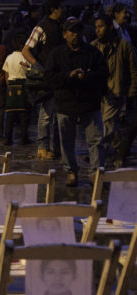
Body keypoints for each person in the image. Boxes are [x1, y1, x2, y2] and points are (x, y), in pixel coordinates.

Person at [45, 18, 108, 187]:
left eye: (78, 31)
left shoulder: (92, 53)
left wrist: (87, 77)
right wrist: (68, 76)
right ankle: (71, 171)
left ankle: (96, 173)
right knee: (66, 141)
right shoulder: (56, 54)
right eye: (72, 31)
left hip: (89, 104)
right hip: (66, 104)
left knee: (95, 140)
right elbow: (50, 77)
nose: (76, 34)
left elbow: (103, 73)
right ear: (65, 34)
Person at [91, 14, 137, 164]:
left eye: (101, 26)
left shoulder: (124, 45)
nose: (98, 30)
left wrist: (131, 91)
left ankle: (99, 155)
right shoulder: (93, 46)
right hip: (99, 91)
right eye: (96, 27)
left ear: (110, 27)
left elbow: (133, 69)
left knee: (107, 123)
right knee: (110, 123)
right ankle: (120, 146)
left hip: (116, 90)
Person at [22, 0, 64, 160]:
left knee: (60, 115)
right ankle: (43, 148)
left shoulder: (62, 26)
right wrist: (39, 68)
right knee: (46, 114)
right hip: (48, 78)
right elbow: (25, 50)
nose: (63, 9)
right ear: (54, 9)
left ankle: (58, 148)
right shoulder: (41, 27)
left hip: (61, 77)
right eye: (61, 7)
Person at [2, 33, 31, 145]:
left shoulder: (9, 57)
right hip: (23, 86)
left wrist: (8, 85)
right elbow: (30, 72)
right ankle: (23, 138)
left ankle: (8, 139)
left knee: (10, 116)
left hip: (11, 87)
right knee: (24, 115)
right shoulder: (26, 57)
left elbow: (6, 73)